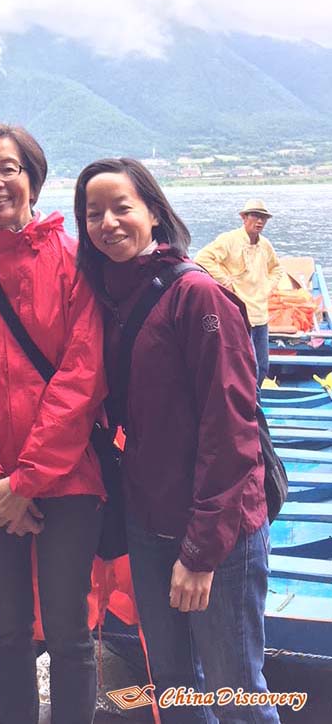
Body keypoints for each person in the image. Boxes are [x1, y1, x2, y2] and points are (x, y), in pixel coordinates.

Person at [74, 158, 277, 723]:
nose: (108, 223)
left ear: (154, 214)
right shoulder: (107, 299)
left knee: (236, 687)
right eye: (94, 214)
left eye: (122, 208)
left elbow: (232, 431)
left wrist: (202, 551)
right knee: (172, 683)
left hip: (220, 531)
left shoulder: (197, 296)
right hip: (149, 522)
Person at [0, 124, 106, 724]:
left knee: (68, 632)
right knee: (7, 630)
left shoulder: (76, 262)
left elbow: (82, 378)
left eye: (7, 167)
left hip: (66, 479)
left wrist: (26, 479)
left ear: (33, 176)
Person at [195, 200, 283, 386]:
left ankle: (253, 402)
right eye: (255, 216)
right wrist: (226, 281)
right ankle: (249, 408)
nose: (259, 221)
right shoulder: (229, 240)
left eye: (263, 218)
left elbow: (276, 269)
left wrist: (268, 286)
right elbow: (203, 258)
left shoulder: (265, 245)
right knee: (249, 367)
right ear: (244, 217)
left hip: (260, 315)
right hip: (239, 315)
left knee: (263, 366)